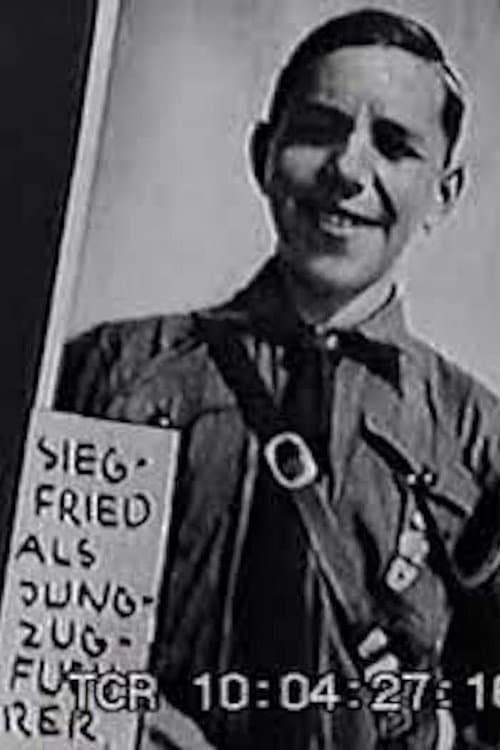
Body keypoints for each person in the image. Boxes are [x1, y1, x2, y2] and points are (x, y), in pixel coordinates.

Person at [56, 8, 500, 749]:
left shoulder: (477, 437)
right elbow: (45, 646)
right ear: (264, 154)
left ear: (443, 194)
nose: (348, 170)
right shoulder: (115, 373)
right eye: (319, 130)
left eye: (394, 146)